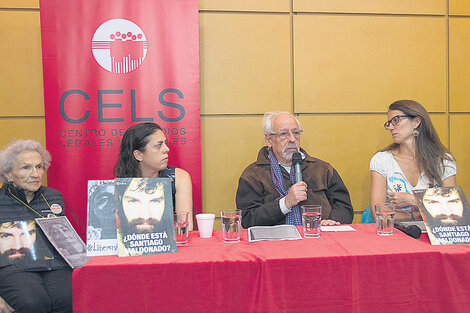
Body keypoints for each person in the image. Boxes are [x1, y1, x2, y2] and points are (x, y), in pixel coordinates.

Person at [236, 111, 354, 228]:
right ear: (269, 140)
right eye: (284, 134)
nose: (292, 139)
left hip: (319, 238)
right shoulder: (252, 175)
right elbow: (248, 219)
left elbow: (344, 207)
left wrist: (332, 221)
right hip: (274, 243)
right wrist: (285, 203)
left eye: (296, 133)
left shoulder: (322, 169)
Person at [0, 140, 72, 313]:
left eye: (39, 167)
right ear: (9, 174)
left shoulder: (54, 197)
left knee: (68, 298)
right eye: (26, 168)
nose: (35, 174)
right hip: (13, 267)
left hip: (54, 265)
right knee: (32, 302)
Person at [370, 100, 457, 223]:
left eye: (396, 120)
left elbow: (453, 212)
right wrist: (419, 214)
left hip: (433, 237)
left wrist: (414, 200)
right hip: (396, 235)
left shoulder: (443, 161)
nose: (390, 127)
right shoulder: (382, 160)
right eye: (389, 123)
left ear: (416, 122)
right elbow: (379, 215)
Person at [114, 123, 193, 228]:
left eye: (165, 143)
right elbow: (115, 231)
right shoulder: (119, 185)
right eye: (158, 145)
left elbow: (185, 227)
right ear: (138, 155)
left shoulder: (179, 177)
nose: (167, 149)